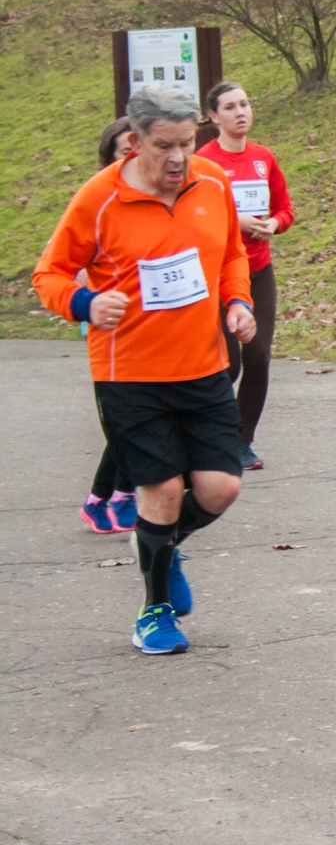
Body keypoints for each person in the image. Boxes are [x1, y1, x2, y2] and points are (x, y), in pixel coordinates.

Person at [33, 83, 256, 655]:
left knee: (221, 487)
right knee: (159, 490)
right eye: (165, 146)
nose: (179, 158)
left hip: (203, 366)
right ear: (135, 141)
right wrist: (85, 304)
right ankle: (153, 612)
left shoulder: (213, 182)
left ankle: (161, 543)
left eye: (187, 143)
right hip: (129, 373)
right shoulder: (99, 199)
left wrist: (238, 301)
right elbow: (50, 275)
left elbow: (231, 252)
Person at [196, 82, 294, 472]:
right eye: (230, 107)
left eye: (245, 104)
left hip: (258, 270)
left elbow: (285, 209)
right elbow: (197, 218)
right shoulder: (203, 162)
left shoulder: (263, 158)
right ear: (213, 117)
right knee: (226, 365)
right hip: (218, 273)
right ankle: (208, 435)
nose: (241, 112)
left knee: (257, 356)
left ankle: (241, 440)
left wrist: (273, 222)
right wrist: (234, 221)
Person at [79, 118, 140, 534]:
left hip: (152, 332)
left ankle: (104, 498)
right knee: (128, 425)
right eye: (124, 152)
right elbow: (59, 269)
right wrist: (91, 298)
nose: (134, 159)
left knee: (137, 422)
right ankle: (119, 496)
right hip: (112, 339)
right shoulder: (94, 205)